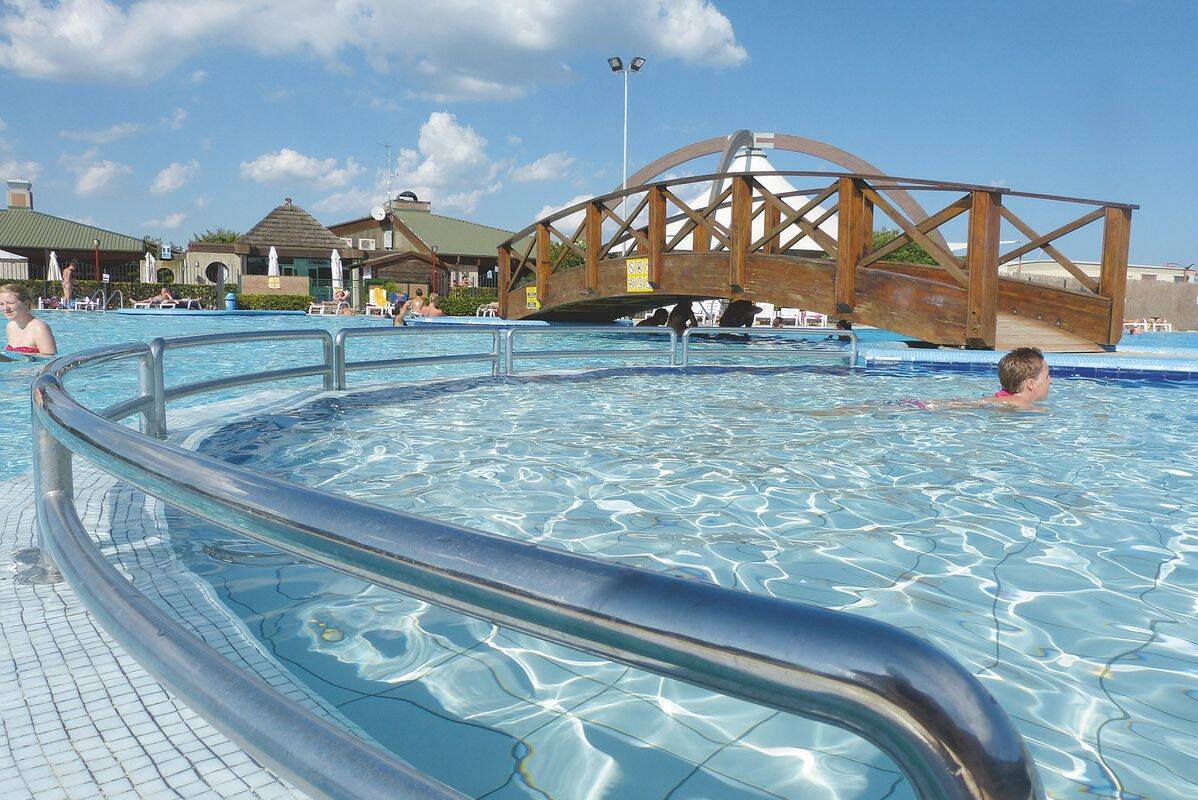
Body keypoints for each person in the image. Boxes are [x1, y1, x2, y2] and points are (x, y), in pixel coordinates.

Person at [981, 346, 1052, 410]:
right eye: (1047, 377)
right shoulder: (1022, 404)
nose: (1051, 381)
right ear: (1031, 384)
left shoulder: (995, 398)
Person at [2, 284, 57, 359]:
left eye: (10, 303)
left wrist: (18, 360)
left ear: (26, 304)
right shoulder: (11, 326)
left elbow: (51, 359)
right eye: (1, 304)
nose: (5, 308)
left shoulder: (39, 328)